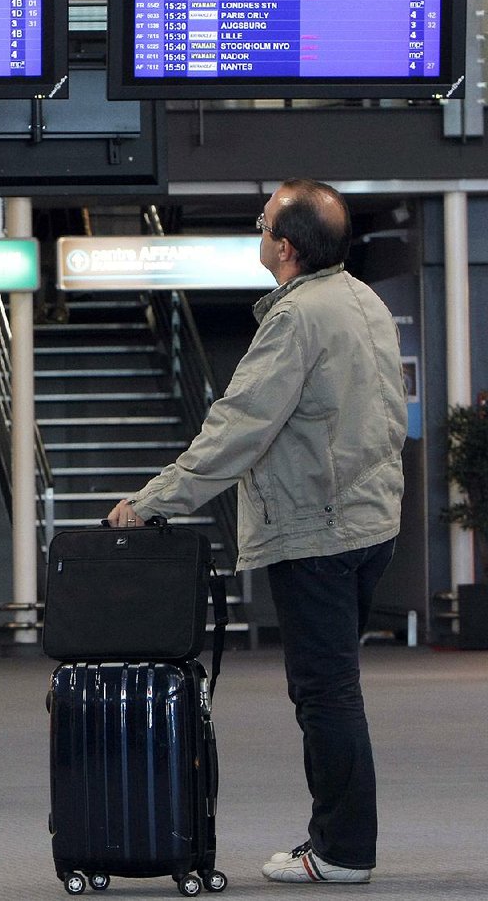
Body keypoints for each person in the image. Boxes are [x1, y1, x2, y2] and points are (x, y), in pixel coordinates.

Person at [107, 179, 407, 885]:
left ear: (286, 246)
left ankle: (341, 851)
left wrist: (153, 501)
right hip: (370, 524)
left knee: (325, 693)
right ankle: (341, 842)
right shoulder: (364, 300)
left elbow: (238, 428)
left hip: (317, 532)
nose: (257, 229)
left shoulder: (297, 318)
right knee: (337, 688)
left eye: (263, 220)